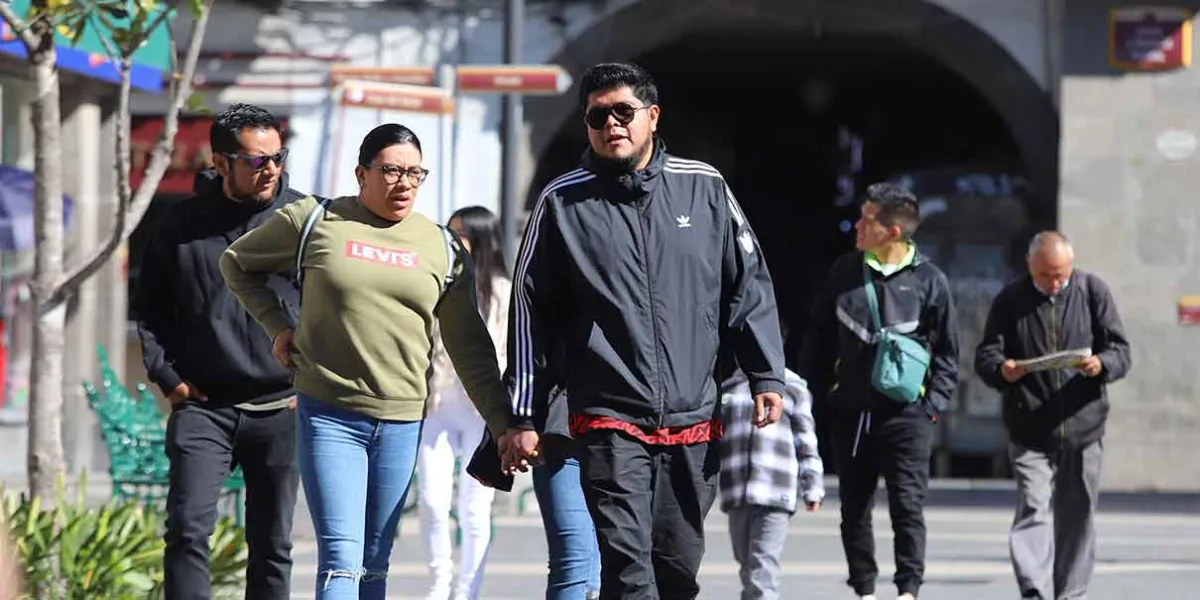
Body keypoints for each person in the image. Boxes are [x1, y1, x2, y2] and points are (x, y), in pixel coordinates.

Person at [499, 62, 787, 600]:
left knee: (677, 570)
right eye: (597, 116)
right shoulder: (560, 202)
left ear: (652, 117)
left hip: (693, 416)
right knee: (630, 572)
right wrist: (522, 413)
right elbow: (528, 313)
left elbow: (748, 281)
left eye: (623, 112)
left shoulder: (704, 187)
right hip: (607, 417)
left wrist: (766, 372)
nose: (612, 124)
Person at [219, 123, 512, 600]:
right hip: (330, 414)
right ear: (361, 173)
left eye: (416, 174)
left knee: (375, 567)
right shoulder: (314, 220)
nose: (405, 184)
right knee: (340, 564)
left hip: (401, 421)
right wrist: (278, 326)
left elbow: (470, 346)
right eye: (392, 171)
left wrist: (502, 423)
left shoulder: (440, 246)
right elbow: (236, 264)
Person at [134, 103, 303, 600]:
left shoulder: (305, 220)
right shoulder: (181, 225)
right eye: (256, 161)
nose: (270, 169)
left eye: (277, 157)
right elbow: (150, 307)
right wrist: (170, 379)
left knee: (272, 543)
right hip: (204, 408)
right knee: (187, 530)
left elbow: (334, 308)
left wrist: (313, 384)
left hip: (283, 406)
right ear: (220, 161)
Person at [798, 182, 960, 600]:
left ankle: (908, 589)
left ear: (892, 231)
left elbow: (947, 352)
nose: (857, 226)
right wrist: (813, 397)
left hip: (909, 415)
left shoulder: (930, 281)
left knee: (908, 506)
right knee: (854, 509)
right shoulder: (844, 272)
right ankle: (865, 589)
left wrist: (932, 407)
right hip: (852, 413)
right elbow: (818, 340)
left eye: (867, 219)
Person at [974, 231, 1131, 600]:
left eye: (1062, 273)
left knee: (1078, 516)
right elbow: (985, 356)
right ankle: (1033, 588)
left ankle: (1070, 594)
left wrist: (1101, 364)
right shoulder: (1010, 300)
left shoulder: (1093, 292)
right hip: (1029, 426)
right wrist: (1003, 369)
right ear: (1030, 265)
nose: (1056, 282)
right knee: (1032, 504)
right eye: (1047, 275)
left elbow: (1122, 351)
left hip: (1084, 424)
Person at [417, 206, 510, 600]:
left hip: (482, 412)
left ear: (482, 239)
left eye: (461, 233)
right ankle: (439, 583)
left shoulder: (505, 291)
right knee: (432, 501)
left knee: (475, 506)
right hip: (437, 404)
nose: (453, 240)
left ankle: (467, 589)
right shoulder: (439, 281)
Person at [718, 368, 824, 600]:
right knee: (747, 567)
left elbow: (806, 440)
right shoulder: (728, 390)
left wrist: (812, 485)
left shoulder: (793, 388)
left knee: (762, 569)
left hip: (776, 490)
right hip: (736, 491)